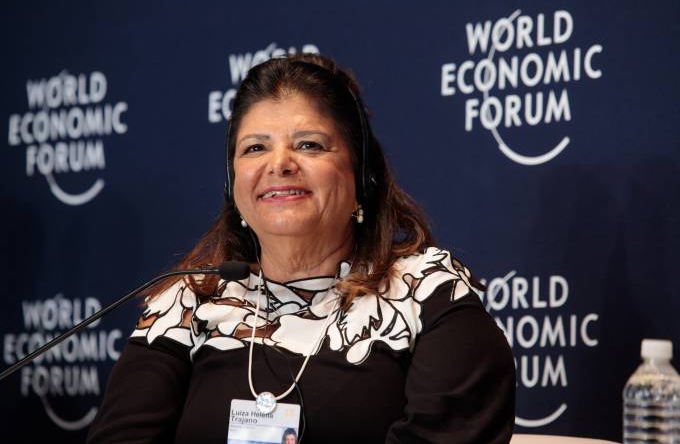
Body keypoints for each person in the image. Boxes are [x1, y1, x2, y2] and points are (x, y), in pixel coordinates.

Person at [86, 54, 515, 443]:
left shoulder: (427, 293)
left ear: (362, 175)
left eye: (309, 144)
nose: (279, 164)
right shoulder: (188, 302)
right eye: (255, 148)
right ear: (232, 185)